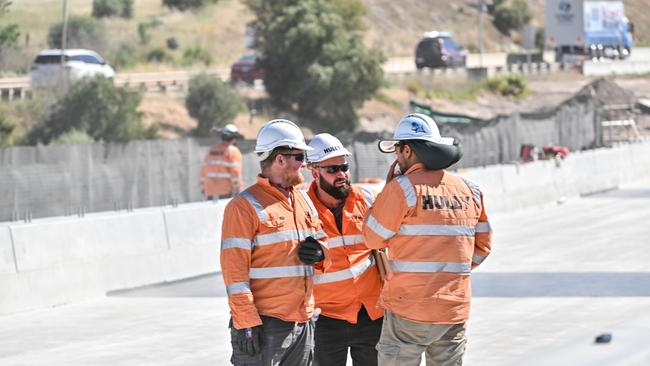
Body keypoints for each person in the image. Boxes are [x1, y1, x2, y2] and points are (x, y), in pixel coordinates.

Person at [362, 113, 493, 366]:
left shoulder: (402, 188)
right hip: (453, 309)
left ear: (408, 150)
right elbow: (482, 249)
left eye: (398, 151)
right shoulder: (470, 190)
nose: (396, 158)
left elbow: (373, 239)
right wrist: (447, 273)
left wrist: (384, 195)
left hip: (409, 309)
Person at [220, 119, 331, 366]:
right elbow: (234, 273)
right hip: (265, 324)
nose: (305, 164)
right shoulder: (243, 206)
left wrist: (321, 254)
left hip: (302, 322)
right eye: (300, 157)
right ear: (280, 159)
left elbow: (323, 243)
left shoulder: (302, 200)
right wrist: (247, 322)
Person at [305, 134, 384, 366]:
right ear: (315, 172)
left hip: (371, 314)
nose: (341, 174)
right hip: (326, 319)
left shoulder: (368, 199)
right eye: (332, 169)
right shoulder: (302, 208)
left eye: (344, 167)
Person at [200, 123, 242, 200]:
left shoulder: (211, 150)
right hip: (225, 191)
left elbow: (203, 171)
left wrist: (203, 186)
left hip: (210, 191)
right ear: (234, 137)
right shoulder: (233, 151)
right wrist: (237, 189)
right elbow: (235, 173)